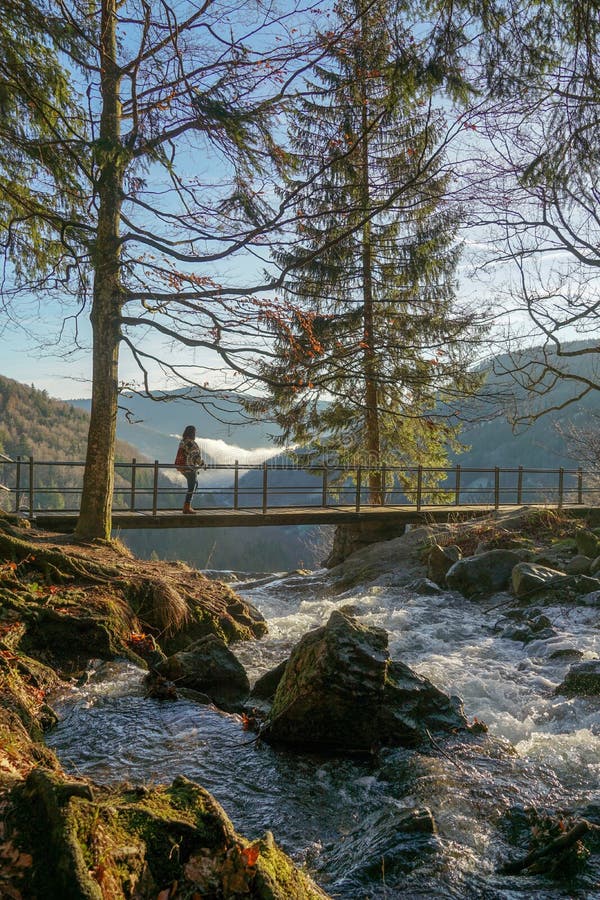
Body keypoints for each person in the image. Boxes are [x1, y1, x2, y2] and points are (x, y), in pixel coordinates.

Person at [177, 425, 206, 514]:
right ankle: (186, 507)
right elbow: (195, 456)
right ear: (192, 433)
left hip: (182, 467)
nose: (195, 434)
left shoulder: (183, 442)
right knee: (191, 486)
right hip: (189, 467)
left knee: (193, 484)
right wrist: (202, 464)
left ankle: (187, 506)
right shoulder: (190, 443)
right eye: (195, 432)